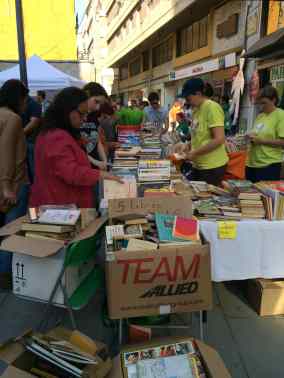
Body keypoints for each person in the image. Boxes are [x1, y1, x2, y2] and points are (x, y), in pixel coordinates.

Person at [30, 87, 122, 208]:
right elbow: (71, 172)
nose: (84, 119)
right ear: (68, 111)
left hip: (63, 204)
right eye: (82, 114)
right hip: (60, 206)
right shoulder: (56, 137)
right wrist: (100, 174)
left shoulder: (58, 132)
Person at [0, 79, 29, 287]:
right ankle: (5, 275)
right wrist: (7, 185)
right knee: (10, 231)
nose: (26, 104)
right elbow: (7, 151)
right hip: (14, 183)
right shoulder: (13, 118)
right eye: (24, 99)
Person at [179, 78, 228, 186]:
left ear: (198, 93)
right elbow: (199, 135)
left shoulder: (212, 107)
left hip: (212, 166)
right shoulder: (196, 110)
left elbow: (219, 139)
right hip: (199, 164)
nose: (187, 101)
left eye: (188, 97)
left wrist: (195, 152)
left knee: (206, 199)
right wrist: (188, 145)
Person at [246, 86, 284, 182]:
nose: (261, 106)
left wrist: (261, 141)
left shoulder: (280, 115)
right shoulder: (260, 116)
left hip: (269, 165)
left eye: (264, 103)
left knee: (264, 196)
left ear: (274, 100)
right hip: (252, 163)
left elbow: (282, 142)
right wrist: (250, 137)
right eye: (260, 103)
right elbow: (256, 133)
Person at [22, 95, 42, 183]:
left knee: (34, 169)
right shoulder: (25, 104)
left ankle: (37, 188)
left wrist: (19, 134)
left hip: (31, 141)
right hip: (27, 141)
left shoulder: (33, 104)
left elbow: (34, 122)